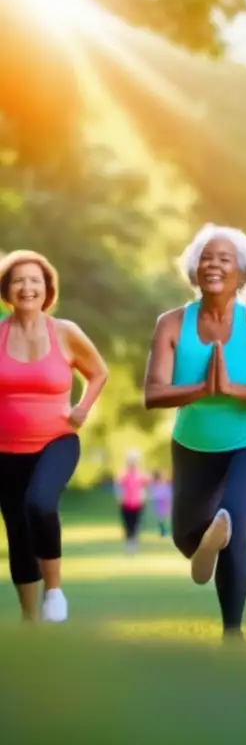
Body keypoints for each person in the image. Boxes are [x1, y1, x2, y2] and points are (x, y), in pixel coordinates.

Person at [142, 223, 246, 642]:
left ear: (242, 274)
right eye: (205, 257)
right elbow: (153, 394)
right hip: (194, 442)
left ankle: (233, 631)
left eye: (224, 259)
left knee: (232, 516)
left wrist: (232, 390)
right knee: (186, 536)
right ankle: (203, 546)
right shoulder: (171, 324)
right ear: (193, 270)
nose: (213, 264)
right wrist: (202, 389)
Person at [0, 249, 108, 622]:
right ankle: (30, 622)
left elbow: (98, 372)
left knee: (40, 503)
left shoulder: (65, 332)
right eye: (18, 280)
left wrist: (82, 408)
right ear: (7, 290)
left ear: (47, 289)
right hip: (5, 451)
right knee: (17, 530)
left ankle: (55, 591)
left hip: (56, 442)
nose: (27, 287)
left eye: (34, 280)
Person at [115, 450, 149, 554]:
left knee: (135, 524)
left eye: (134, 461)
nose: (132, 463)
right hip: (126, 504)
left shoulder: (140, 475)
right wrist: (119, 498)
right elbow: (119, 487)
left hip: (137, 504)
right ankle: (128, 543)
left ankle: (133, 543)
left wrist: (144, 497)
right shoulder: (124, 474)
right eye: (131, 461)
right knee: (127, 524)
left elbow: (145, 486)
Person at [148, 469, 172, 538]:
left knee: (165, 516)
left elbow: (167, 492)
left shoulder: (163, 484)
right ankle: (163, 531)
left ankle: (165, 531)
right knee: (161, 517)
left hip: (164, 500)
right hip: (159, 501)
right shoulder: (155, 484)